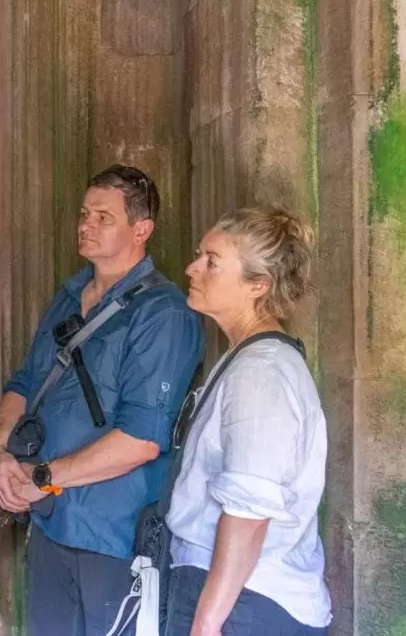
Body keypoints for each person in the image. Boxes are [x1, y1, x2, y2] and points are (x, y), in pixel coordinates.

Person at [0, 165, 204, 636]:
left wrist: (43, 477)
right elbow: (25, 383)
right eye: (85, 213)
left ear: (141, 229)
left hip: (112, 530)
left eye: (104, 217)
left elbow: (143, 440)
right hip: (50, 520)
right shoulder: (68, 297)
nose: (86, 224)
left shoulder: (162, 314)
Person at [165, 207, 330, 636]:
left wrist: (206, 622)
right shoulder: (249, 359)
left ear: (258, 286)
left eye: (212, 262)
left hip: (243, 603)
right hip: (236, 595)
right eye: (199, 255)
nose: (192, 267)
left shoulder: (261, 372)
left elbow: (249, 511)